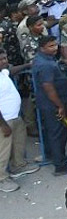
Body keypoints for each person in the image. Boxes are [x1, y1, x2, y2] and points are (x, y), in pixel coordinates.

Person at [31, 34, 67, 174]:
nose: (55, 48)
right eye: (50, 46)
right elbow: (49, 87)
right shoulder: (45, 65)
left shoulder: (44, 60)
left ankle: (52, 155)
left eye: (55, 45)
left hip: (48, 102)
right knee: (58, 133)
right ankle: (61, 165)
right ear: (41, 48)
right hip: (52, 103)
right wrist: (60, 106)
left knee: (51, 132)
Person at [0, 48, 32, 192]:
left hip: (14, 116)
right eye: (1, 59)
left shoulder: (2, 73)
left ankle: (18, 165)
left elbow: (11, 71)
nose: (5, 62)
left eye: (5, 58)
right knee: (3, 151)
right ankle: (2, 179)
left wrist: (27, 65)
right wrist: (3, 125)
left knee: (18, 143)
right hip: (4, 121)